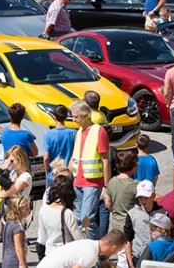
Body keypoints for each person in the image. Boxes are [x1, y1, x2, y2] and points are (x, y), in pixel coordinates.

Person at [68, 100, 111, 240]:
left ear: (85, 116)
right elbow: (75, 156)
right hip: (78, 181)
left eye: (76, 117)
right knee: (79, 221)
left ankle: (98, 251)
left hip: (92, 182)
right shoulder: (79, 132)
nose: (74, 120)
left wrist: (106, 186)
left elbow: (105, 160)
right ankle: (87, 249)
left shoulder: (99, 131)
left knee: (87, 219)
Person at [104, 150, 139, 267]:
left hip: (116, 224)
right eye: (135, 163)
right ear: (130, 166)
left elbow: (108, 203)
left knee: (121, 255)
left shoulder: (112, 182)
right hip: (131, 227)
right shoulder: (135, 184)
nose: (137, 165)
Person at [38, 175, 88, 255]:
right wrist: (85, 227)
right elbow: (80, 239)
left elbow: (42, 237)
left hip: (49, 253)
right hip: (64, 254)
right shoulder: (67, 213)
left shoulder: (43, 209)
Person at [123, 180, 167, 268]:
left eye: (146, 197)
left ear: (153, 196)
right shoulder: (132, 213)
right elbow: (128, 240)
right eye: (140, 198)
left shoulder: (163, 213)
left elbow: (168, 237)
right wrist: (130, 263)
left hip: (158, 258)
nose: (143, 201)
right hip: (138, 257)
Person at [38, 229, 127, 268]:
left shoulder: (89, 244)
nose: (115, 254)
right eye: (118, 251)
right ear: (113, 248)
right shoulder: (91, 254)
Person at [0, 145, 32, 242]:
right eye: (8, 161)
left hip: (18, 215)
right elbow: (0, 190)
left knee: (15, 245)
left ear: (20, 160)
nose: (10, 164)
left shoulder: (25, 177)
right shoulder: (13, 174)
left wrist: (5, 171)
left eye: (12, 161)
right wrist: (5, 172)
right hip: (8, 212)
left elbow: (4, 193)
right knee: (7, 243)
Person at [43, 104, 76, 186]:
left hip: (53, 174)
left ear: (54, 117)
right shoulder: (73, 133)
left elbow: (46, 157)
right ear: (66, 117)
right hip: (68, 174)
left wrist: (47, 172)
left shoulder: (49, 134)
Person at [2, 196, 31, 268]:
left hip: (6, 259)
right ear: (18, 210)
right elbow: (19, 249)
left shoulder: (8, 223)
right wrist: (25, 265)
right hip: (15, 261)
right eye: (26, 209)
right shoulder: (17, 228)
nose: (29, 211)